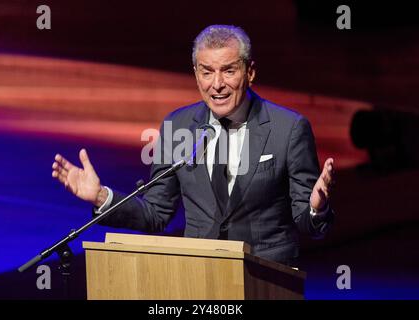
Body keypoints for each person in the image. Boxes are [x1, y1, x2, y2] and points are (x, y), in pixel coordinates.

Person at [52, 25, 335, 267]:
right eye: (207, 72)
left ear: (250, 72)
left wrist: (316, 208)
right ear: (196, 73)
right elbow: (156, 215)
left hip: (266, 278)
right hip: (198, 277)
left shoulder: (288, 128)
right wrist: (102, 197)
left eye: (228, 71)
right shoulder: (179, 125)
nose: (217, 84)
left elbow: (308, 223)